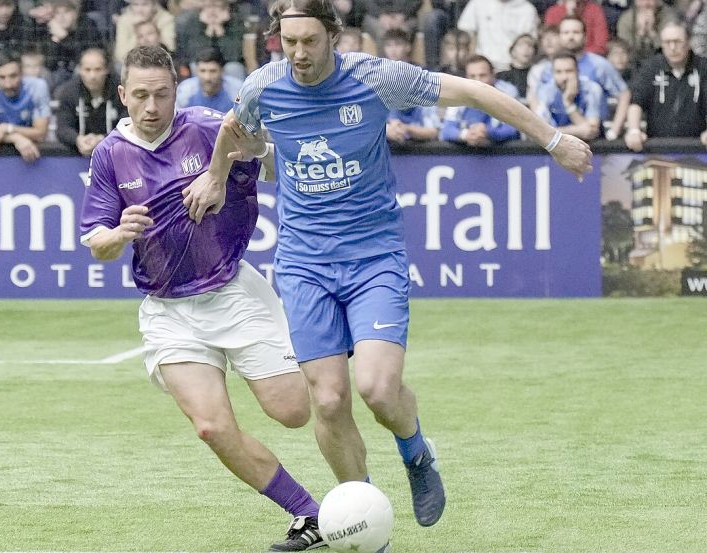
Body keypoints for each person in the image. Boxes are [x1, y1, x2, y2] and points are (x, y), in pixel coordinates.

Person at [182, 0, 592, 529]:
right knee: (328, 400)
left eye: (310, 41)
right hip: (304, 263)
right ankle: (363, 514)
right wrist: (216, 174)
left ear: (333, 36)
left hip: (373, 255)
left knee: (377, 389)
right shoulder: (266, 84)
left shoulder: (376, 77)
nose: (299, 54)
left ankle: (416, 450)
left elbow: (474, 92)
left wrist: (553, 141)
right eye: (290, 43)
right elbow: (236, 126)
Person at [79, 45, 324, 552]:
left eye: (162, 94)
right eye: (140, 96)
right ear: (123, 95)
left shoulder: (211, 126)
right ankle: (308, 514)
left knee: (293, 411)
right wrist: (118, 233)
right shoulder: (109, 155)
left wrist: (241, 159)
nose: (151, 107)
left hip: (232, 291)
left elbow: (273, 162)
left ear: (177, 91)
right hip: (169, 312)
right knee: (212, 427)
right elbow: (96, 244)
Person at [625, 23, 707, 151]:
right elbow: (636, 101)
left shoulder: (703, 67)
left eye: (678, 42)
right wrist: (634, 130)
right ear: (661, 44)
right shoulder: (650, 67)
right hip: (656, 147)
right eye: (667, 42)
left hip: (698, 148)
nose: (673, 47)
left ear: (689, 42)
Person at [0, 52, 50, 162]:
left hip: (33, 150)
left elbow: (40, 133)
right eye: (2, 77)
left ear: (22, 73)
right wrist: (15, 138)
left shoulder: (37, 87)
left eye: (13, 76)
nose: (8, 84)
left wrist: (6, 128)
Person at [54, 47, 125, 156]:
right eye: (87, 70)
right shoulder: (69, 91)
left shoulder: (121, 90)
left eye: (98, 69)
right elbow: (62, 128)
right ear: (80, 70)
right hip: (78, 155)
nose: (92, 76)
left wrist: (103, 139)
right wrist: (78, 140)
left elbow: (128, 125)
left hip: (118, 154)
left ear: (106, 69)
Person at [441, 55, 521, 145]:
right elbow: (446, 130)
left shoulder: (507, 92)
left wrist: (487, 132)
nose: (477, 81)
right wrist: (466, 134)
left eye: (482, 75)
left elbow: (514, 130)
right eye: (472, 76)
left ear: (493, 75)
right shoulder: (458, 94)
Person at [534, 51, 603, 140]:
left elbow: (591, 132)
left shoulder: (592, 89)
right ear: (552, 74)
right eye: (558, 72)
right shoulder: (545, 90)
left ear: (578, 71)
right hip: (554, 146)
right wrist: (578, 130)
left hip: (590, 147)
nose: (564, 77)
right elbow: (540, 131)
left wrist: (568, 103)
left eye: (569, 71)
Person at [175, 47, 243, 112]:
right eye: (202, 71)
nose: (207, 77)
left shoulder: (237, 91)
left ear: (222, 71)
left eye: (213, 71)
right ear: (196, 71)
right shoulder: (185, 90)